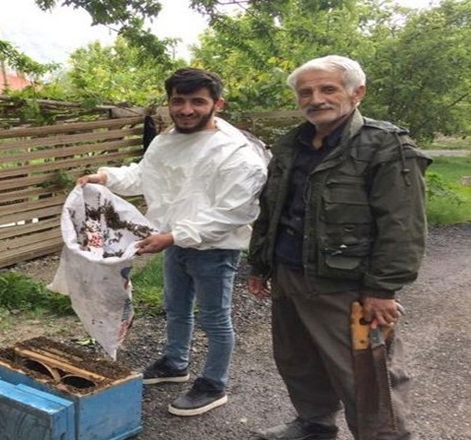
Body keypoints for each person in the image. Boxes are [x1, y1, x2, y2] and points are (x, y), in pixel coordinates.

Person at [247, 55, 431, 440]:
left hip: (346, 286)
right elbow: (273, 208)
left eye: (327, 89)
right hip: (289, 274)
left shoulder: (385, 145)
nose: (315, 98)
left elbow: (403, 225)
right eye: (306, 92)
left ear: (356, 92)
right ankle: (315, 425)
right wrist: (261, 264)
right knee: (299, 362)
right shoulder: (291, 144)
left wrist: (382, 289)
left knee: (367, 374)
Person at [78, 67, 268, 416]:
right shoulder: (168, 138)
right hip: (173, 240)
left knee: (214, 318)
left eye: (197, 101)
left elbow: (234, 212)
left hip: (214, 248)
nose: (186, 109)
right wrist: (106, 177)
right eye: (178, 101)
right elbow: (144, 173)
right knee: (176, 308)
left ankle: (214, 384)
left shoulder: (237, 154)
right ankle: (175, 364)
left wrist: (174, 235)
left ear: (218, 104)